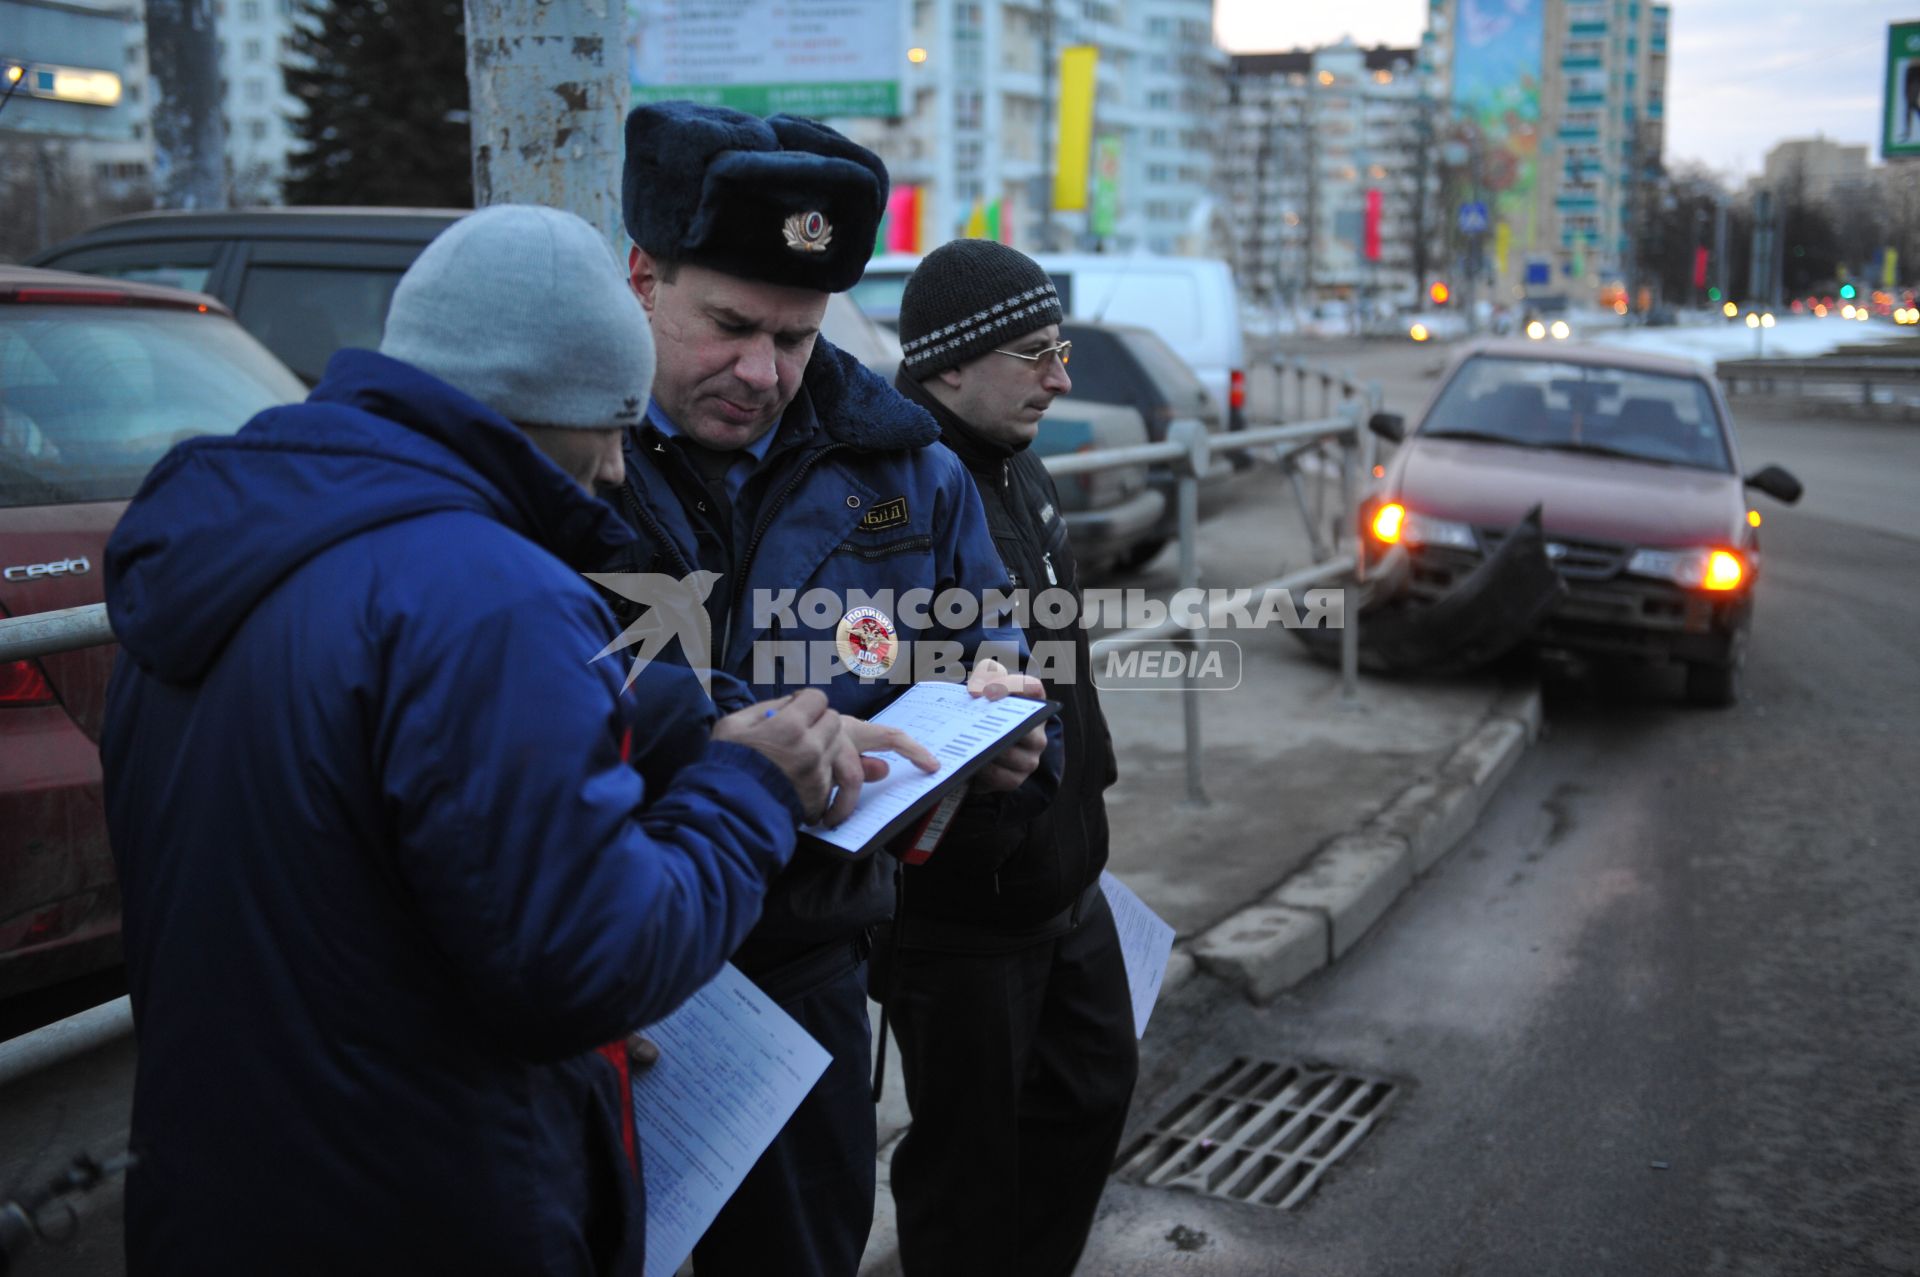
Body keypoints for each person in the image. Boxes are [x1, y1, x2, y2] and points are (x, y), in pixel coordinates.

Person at [96, 205, 919, 1275]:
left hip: (224, 1191)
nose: (619, 469)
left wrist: (694, 714)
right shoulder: (491, 594)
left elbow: (350, 868)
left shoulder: (227, 546)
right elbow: (592, 962)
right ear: (549, 400)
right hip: (431, 1205)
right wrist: (749, 786)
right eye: (611, 426)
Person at [611, 103, 1053, 1277]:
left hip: (811, 959)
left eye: (798, 337)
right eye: (731, 326)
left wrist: (998, 703)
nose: (763, 373)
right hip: (618, 955)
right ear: (641, 277)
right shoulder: (566, 453)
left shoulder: (904, 463)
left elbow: (979, 627)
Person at [880, 239, 1140, 1276]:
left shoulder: (1015, 462)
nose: (1063, 377)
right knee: (967, 1169)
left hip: (1066, 875)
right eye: (1036, 353)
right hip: (964, 911)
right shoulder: (896, 497)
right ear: (949, 365)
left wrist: (1083, 802)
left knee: (1088, 1091)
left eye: (1061, 348)